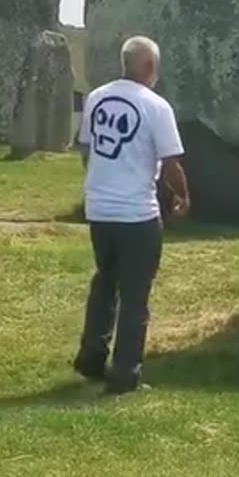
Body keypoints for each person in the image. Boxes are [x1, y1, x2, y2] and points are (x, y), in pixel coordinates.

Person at [73, 36, 191, 395]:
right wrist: (183, 196)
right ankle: (125, 373)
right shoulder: (156, 107)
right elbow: (171, 163)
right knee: (136, 294)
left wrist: (97, 184)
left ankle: (91, 356)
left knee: (105, 281)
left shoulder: (96, 97)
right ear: (150, 67)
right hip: (136, 212)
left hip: (100, 209)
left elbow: (86, 148)